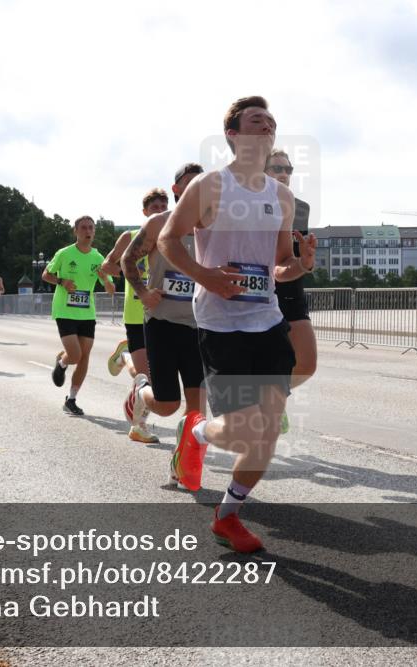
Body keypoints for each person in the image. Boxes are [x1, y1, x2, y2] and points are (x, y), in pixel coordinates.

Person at [158, 96, 316, 552]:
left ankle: (228, 515)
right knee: (246, 429)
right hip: (220, 323)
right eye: (255, 119)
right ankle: (199, 430)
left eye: (270, 121)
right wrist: (205, 275)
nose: (265, 125)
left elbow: (281, 265)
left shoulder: (281, 197)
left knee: (267, 430)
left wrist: (301, 265)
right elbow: (170, 239)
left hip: (267, 319)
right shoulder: (210, 187)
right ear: (233, 133)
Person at [121, 166, 206, 449]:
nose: (196, 188)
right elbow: (127, 260)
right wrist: (143, 292)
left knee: (197, 409)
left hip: (199, 325)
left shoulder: (215, 225)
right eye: (189, 184)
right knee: (168, 404)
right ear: (177, 190)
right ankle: (141, 389)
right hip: (162, 322)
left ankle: (183, 466)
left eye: (201, 183)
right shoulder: (160, 223)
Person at [101, 188, 170, 443]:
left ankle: (126, 356)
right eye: (155, 207)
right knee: (145, 378)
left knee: (160, 377)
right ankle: (139, 426)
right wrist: (130, 270)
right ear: (144, 212)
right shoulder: (130, 236)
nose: (161, 210)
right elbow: (107, 265)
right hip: (136, 310)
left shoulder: (175, 238)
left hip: (166, 313)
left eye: (164, 205)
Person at [42, 216, 116, 416]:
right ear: (75, 231)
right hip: (65, 310)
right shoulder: (64, 253)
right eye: (83, 228)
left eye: (91, 228)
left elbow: (107, 281)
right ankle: (63, 362)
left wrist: (109, 284)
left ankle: (72, 399)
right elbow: (46, 275)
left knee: (85, 357)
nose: (87, 231)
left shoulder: (98, 257)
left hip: (87, 312)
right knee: (75, 355)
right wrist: (62, 281)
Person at [265, 149, 316, 433]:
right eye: (276, 168)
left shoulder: (301, 207)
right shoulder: (245, 205)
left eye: (288, 169)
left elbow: (289, 256)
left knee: (306, 363)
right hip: (258, 291)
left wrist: (305, 262)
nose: (284, 173)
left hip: (290, 285)